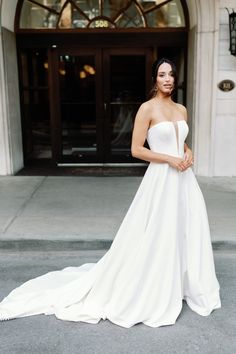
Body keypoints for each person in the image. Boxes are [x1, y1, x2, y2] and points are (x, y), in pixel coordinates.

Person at [0, 58, 221, 328]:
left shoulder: (181, 109)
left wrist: (188, 152)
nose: (167, 79)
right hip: (162, 178)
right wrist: (170, 160)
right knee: (158, 231)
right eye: (162, 74)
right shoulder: (146, 109)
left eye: (171, 75)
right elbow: (136, 149)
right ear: (154, 79)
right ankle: (155, 284)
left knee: (185, 229)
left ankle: (182, 283)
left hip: (185, 179)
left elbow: (181, 140)